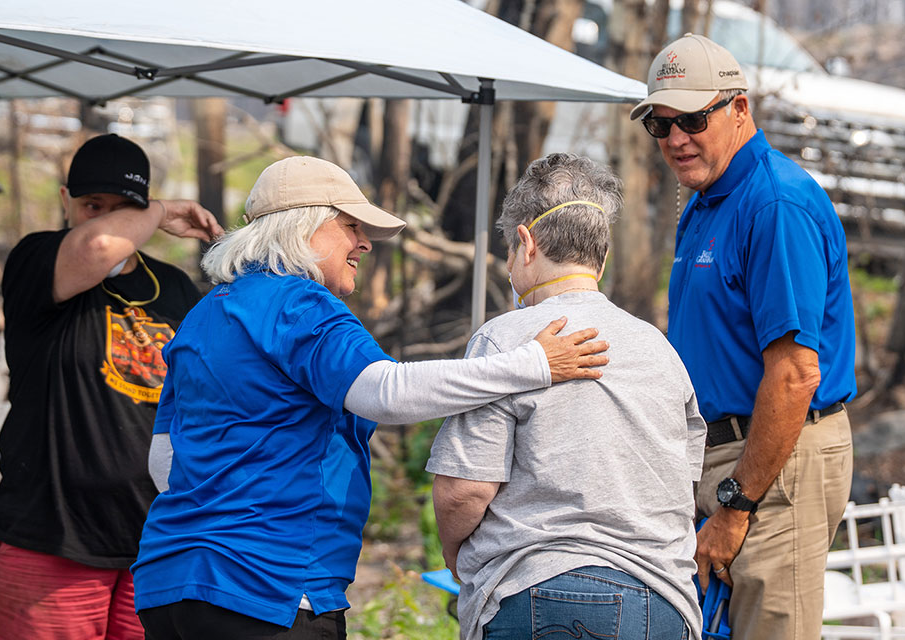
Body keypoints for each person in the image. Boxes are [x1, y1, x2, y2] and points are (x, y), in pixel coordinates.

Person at [130, 155, 610, 640]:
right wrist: (534, 364)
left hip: (168, 583)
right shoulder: (299, 302)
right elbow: (387, 392)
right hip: (268, 588)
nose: (363, 243)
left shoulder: (203, 314)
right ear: (302, 227)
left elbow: (164, 461)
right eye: (350, 226)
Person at [630, 33, 857, 639]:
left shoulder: (774, 205)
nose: (676, 138)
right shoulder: (706, 201)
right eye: (662, 124)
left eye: (694, 119)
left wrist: (737, 505)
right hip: (723, 459)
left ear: (739, 108)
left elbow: (795, 374)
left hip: (774, 460)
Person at [427, 153, 707, 640]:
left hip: (538, 588)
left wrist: (457, 556)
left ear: (526, 243)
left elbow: (464, 490)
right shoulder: (661, 351)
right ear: (602, 252)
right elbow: (685, 482)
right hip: (663, 601)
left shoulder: (505, 339)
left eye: (509, 254)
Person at [0, 133, 224, 640]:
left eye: (122, 208)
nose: (106, 219)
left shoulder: (175, 287)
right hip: (53, 535)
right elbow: (97, 246)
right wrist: (159, 211)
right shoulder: (36, 260)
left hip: (156, 537)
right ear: (64, 201)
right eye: (92, 204)